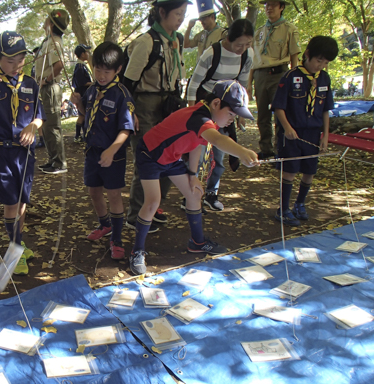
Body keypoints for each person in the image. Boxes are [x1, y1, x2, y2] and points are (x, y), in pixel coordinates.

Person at [129, 80, 259, 275]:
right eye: (231, 114)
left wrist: (192, 175)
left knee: (194, 193)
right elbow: (216, 139)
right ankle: (137, 251)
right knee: (152, 202)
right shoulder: (199, 118)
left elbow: (199, 144)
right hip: (150, 155)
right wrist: (241, 151)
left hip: (172, 157)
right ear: (216, 104)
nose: (233, 119)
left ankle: (197, 242)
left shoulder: (208, 120)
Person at [0, 31, 45, 276]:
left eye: (21, 59)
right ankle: (14, 248)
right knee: (11, 203)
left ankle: (18, 242)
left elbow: (40, 116)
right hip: (1, 152)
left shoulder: (30, 83)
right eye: (10, 60)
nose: (16, 65)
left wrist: (33, 126)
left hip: (25, 154)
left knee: (22, 202)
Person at [122, 0, 190, 233]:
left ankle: (154, 206)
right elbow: (128, 83)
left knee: (171, 154)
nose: (181, 18)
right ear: (162, 12)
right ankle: (136, 214)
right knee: (147, 158)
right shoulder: (146, 42)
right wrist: (131, 112)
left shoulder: (176, 41)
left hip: (170, 104)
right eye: (177, 13)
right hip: (146, 104)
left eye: (184, 14)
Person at [72, 42, 135, 260]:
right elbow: (86, 114)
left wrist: (112, 150)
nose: (101, 75)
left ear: (118, 70)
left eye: (106, 71)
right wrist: (78, 104)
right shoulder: (91, 90)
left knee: (114, 195)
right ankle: (104, 224)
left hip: (113, 155)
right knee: (94, 191)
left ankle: (116, 238)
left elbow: (127, 129)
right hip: (92, 152)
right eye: (97, 69)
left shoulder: (121, 94)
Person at [186, 19, 254, 211]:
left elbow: (242, 85)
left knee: (219, 152)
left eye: (247, 44)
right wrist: (191, 113)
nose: (243, 49)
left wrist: (239, 113)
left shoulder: (247, 55)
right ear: (229, 38)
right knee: (198, 153)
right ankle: (190, 194)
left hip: (227, 106)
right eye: (239, 44)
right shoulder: (212, 53)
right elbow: (193, 85)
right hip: (207, 104)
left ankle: (211, 193)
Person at [272, 36, 338, 226]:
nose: (321, 66)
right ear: (307, 54)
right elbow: (278, 107)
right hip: (292, 133)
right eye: (319, 60)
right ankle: (283, 209)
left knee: (309, 170)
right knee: (290, 170)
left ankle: (299, 204)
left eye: (325, 63)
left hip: (313, 133)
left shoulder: (324, 79)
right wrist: (287, 128)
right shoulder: (290, 76)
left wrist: (325, 135)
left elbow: (326, 109)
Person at [248, 0, 300, 159]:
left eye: (273, 5)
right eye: (266, 5)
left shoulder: (289, 29)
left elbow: (294, 57)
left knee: (280, 114)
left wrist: (293, 80)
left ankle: (280, 150)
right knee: (262, 115)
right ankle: (266, 149)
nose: (268, 8)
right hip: (260, 75)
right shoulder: (259, 32)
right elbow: (253, 60)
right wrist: (249, 83)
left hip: (280, 74)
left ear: (281, 7)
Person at [35, 9, 70, 175]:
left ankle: (59, 163)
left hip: (50, 88)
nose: (44, 23)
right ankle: (53, 160)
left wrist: (47, 80)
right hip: (45, 88)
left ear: (50, 23)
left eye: (47, 20)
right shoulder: (47, 42)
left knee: (52, 126)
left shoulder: (54, 42)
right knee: (47, 126)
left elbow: (59, 64)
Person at [72, 44, 93, 143]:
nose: (88, 54)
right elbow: (81, 82)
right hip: (82, 94)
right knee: (83, 114)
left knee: (84, 114)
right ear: (82, 54)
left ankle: (84, 134)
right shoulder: (80, 66)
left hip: (83, 93)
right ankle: (78, 135)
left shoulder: (82, 66)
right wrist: (93, 83)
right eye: (87, 52)